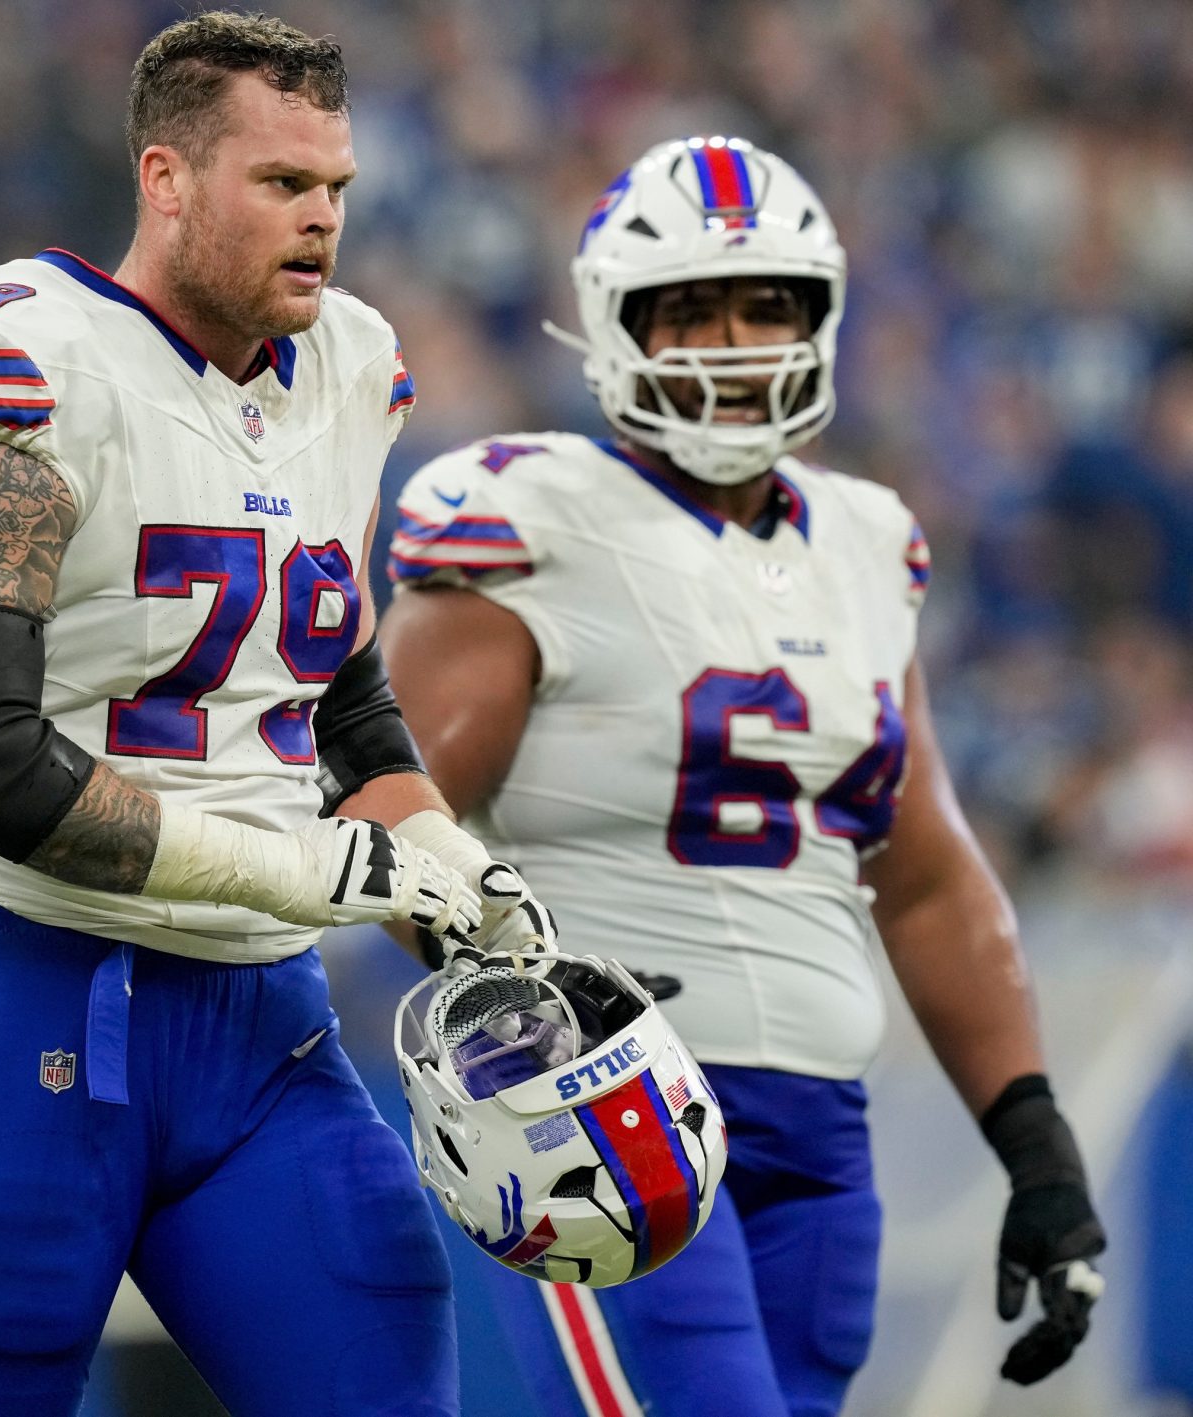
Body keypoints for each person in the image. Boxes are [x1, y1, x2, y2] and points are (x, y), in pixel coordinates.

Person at [0, 13, 552, 1416]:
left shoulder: (352, 365)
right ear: (166, 179)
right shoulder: (24, 362)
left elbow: (336, 686)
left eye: (336, 190)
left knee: (388, 1371)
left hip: (263, 1035)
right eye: (281, 185)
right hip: (29, 1004)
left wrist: (461, 874)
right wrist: (298, 867)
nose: (320, 223)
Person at [379, 136, 1107, 1416]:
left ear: (816, 320)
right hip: (595, 1107)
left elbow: (925, 876)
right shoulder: (529, 515)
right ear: (615, 331)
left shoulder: (868, 543)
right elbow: (384, 807)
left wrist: (1033, 1138)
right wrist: (531, 981)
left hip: (822, 1131)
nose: (729, 341)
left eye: (763, 305)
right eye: (692, 309)